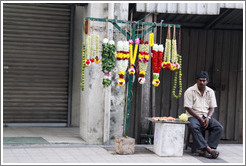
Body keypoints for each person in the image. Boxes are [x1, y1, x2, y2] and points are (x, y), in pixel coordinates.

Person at [184, 71, 223, 159]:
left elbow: (212, 107)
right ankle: (208, 149)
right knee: (194, 127)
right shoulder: (190, 91)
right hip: (193, 116)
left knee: (219, 127)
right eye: (200, 80)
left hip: (206, 116)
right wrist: (199, 118)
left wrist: (208, 118)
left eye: (204, 81)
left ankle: (206, 150)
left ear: (207, 81)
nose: (202, 82)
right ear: (197, 81)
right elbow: (188, 108)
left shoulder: (210, 91)